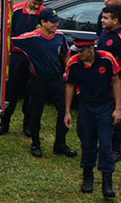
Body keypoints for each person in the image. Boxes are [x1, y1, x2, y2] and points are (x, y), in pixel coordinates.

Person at [11, 8, 77, 158]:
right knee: (35, 113)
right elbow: (10, 42)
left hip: (56, 80)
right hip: (38, 81)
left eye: (57, 21)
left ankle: (60, 144)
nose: (56, 24)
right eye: (52, 22)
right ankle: (35, 144)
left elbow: (66, 53)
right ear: (43, 22)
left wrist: (68, 70)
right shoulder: (30, 38)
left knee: (63, 111)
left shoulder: (59, 36)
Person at [64, 36, 121, 199]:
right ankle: (87, 177)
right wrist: (67, 112)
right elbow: (69, 86)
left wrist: (118, 108)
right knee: (87, 143)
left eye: (81, 51)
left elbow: (116, 81)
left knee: (105, 144)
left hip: (105, 106)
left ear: (91, 49)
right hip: (85, 106)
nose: (78, 54)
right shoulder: (73, 63)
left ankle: (107, 182)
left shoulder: (107, 59)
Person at [0, 0, 47, 136]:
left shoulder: (44, 14)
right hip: (16, 57)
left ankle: (27, 125)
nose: (36, 7)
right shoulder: (16, 10)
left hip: (33, 60)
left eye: (39, 4)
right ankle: (4, 124)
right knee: (10, 92)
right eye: (34, 3)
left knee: (31, 94)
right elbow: (6, 29)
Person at [97, 4, 121, 159]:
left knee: (117, 113)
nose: (102, 20)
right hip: (103, 81)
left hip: (116, 81)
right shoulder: (104, 32)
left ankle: (116, 148)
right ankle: (106, 143)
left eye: (106, 18)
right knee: (105, 113)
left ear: (116, 20)